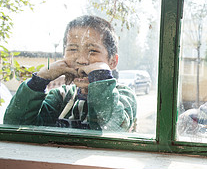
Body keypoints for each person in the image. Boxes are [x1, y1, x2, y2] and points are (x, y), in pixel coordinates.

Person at [4, 15, 137, 131]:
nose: (81, 60)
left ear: (113, 61)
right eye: (73, 50)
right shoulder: (61, 97)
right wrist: (39, 80)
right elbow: (15, 125)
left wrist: (100, 77)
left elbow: (114, 129)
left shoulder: (123, 95)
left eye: (93, 51)